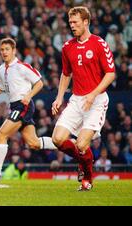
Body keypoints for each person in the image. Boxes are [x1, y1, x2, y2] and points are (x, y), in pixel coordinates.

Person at [51, 6, 115, 191]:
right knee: (58, 139)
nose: (72, 25)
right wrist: (59, 97)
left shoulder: (99, 43)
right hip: (77, 100)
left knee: (81, 143)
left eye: (75, 22)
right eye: (70, 22)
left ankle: (87, 178)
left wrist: (93, 94)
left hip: (96, 101)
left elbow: (110, 74)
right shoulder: (67, 47)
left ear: (86, 22)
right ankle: (83, 160)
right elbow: (66, 74)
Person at [0, 38, 57, 184]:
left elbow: (39, 83)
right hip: (15, 106)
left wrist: (29, 95)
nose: (4, 52)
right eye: (2, 50)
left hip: (23, 105)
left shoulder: (22, 67)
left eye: (7, 49)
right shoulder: (1, 70)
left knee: (1, 134)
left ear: (14, 51)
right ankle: (66, 143)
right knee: (33, 143)